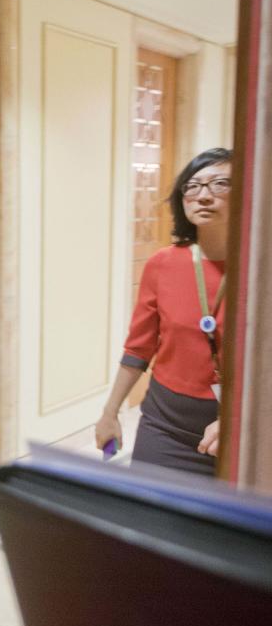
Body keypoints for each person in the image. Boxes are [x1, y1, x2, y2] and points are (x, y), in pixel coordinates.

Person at [96, 147, 232, 475]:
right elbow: (138, 348)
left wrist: (236, 422)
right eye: (193, 186)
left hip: (234, 430)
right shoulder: (163, 264)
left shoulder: (260, 268)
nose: (203, 195)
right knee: (147, 519)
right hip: (164, 424)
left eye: (219, 184)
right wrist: (110, 412)